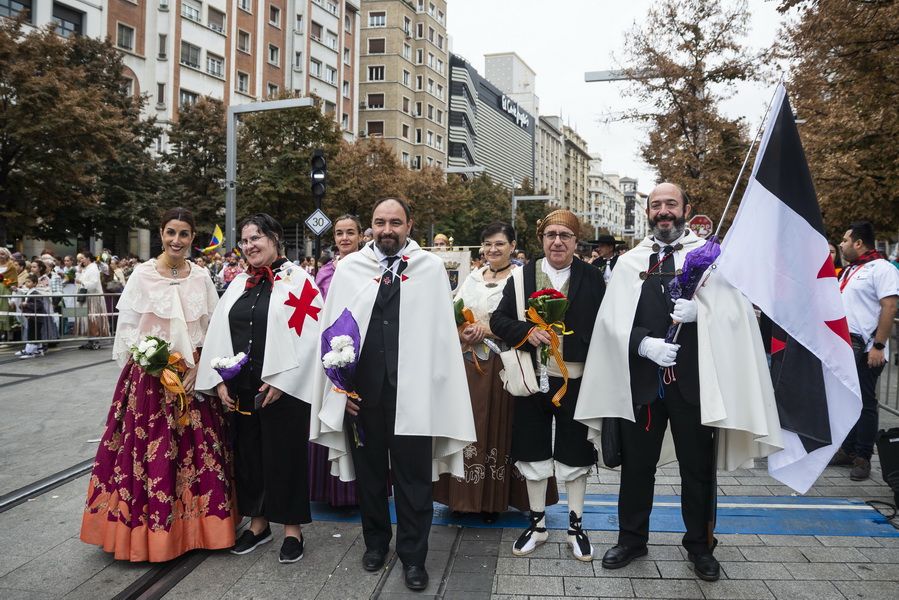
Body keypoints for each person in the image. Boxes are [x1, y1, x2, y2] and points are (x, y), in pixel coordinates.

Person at [576, 183, 782, 582]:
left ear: (687, 208)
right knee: (637, 468)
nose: (663, 211)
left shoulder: (713, 260)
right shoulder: (630, 260)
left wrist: (703, 314)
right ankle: (632, 539)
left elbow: (739, 319)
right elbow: (611, 323)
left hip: (693, 386)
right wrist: (644, 344)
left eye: (671, 204)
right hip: (644, 386)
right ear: (648, 212)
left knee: (697, 470)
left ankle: (700, 546)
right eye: (656, 205)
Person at [311, 198, 475, 591]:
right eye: (380, 222)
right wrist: (339, 388)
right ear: (371, 226)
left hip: (413, 394)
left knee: (413, 479)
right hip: (363, 395)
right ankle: (376, 543)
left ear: (409, 225)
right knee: (369, 475)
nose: (387, 229)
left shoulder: (430, 269)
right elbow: (332, 332)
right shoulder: (351, 269)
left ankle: (414, 556)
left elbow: (439, 336)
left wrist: (437, 389)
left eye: (395, 222)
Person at [80, 207, 235, 562]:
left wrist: (201, 368)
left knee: (198, 455)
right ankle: (148, 536)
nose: (176, 240)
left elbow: (213, 328)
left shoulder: (202, 278)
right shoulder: (142, 275)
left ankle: (199, 530)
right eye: (170, 233)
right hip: (151, 380)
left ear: (192, 238)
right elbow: (129, 328)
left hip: (192, 378)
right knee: (150, 454)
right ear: (161, 234)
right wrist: (153, 361)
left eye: (183, 234)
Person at [197, 213, 324, 564]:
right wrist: (220, 377)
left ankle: (292, 530)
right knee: (249, 455)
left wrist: (283, 380)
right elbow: (221, 331)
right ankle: (258, 523)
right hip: (243, 386)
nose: (249, 246)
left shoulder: (299, 281)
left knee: (285, 456)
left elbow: (310, 336)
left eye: (256, 238)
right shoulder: (239, 283)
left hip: (284, 387)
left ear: (275, 239)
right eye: (245, 240)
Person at [490, 209, 606, 562]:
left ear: (575, 241)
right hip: (532, 380)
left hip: (576, 378)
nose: (557, 241)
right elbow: (499, 319)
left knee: (576, 450)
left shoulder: (593, 277)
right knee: (532, 448)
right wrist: (527, 332)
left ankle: (575, 526)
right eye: (551, 235)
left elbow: (606, 325)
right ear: (541, 239)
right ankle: (538, 524)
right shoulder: (523, 277)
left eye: (565, 236)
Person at [435, 222, 559, 522]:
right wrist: (464, 330)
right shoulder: (473, 277)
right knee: (470, 428)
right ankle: (462, 498)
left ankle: (493, 500)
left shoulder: (521, 278)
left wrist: (488, 329)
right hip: (470, 363)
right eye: (488, 243)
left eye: (500, 244)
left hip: (505, 363)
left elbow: (526, 320)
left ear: (512, 246)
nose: (493, 249)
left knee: (499, 428)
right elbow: (455, 309)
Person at [829, 221, 899, 480]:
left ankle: (862, 456)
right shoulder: (850, 271)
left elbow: (889, 307)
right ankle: (847, 450)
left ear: (859, 243)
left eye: (846, 241)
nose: (842, 245)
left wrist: (878, 346)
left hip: (869, 348)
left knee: (866, 403)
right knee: (847, 400)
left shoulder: (882, 269)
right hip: (846, 346)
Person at [310, 214, 364, 507]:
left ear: (360, 236)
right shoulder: (324, 273)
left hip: (360, 350)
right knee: (334, 413)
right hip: (331, 352)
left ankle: (361, 489)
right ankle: (333, 491)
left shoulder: (370, 268)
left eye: (350, 233)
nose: (345, 238)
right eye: (340, 233)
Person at [75, 252, 109, 350]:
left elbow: (93, 284)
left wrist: (81, 282)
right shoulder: (86, 268)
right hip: (87, 298)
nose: (81, 260)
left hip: (93, 299)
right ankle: (90, 340)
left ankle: (95, 341)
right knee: (87, 319)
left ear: (88, 258)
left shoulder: (93, 268)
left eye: (83, 258)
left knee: (94, 319)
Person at [0, 247, 18, 340]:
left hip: (6, 290)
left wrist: (3, 279)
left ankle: (8, 335)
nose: (0, 256)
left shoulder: (11, 266)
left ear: (7, 255)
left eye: (2, 254)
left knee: (6, 311)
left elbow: (13, 282)